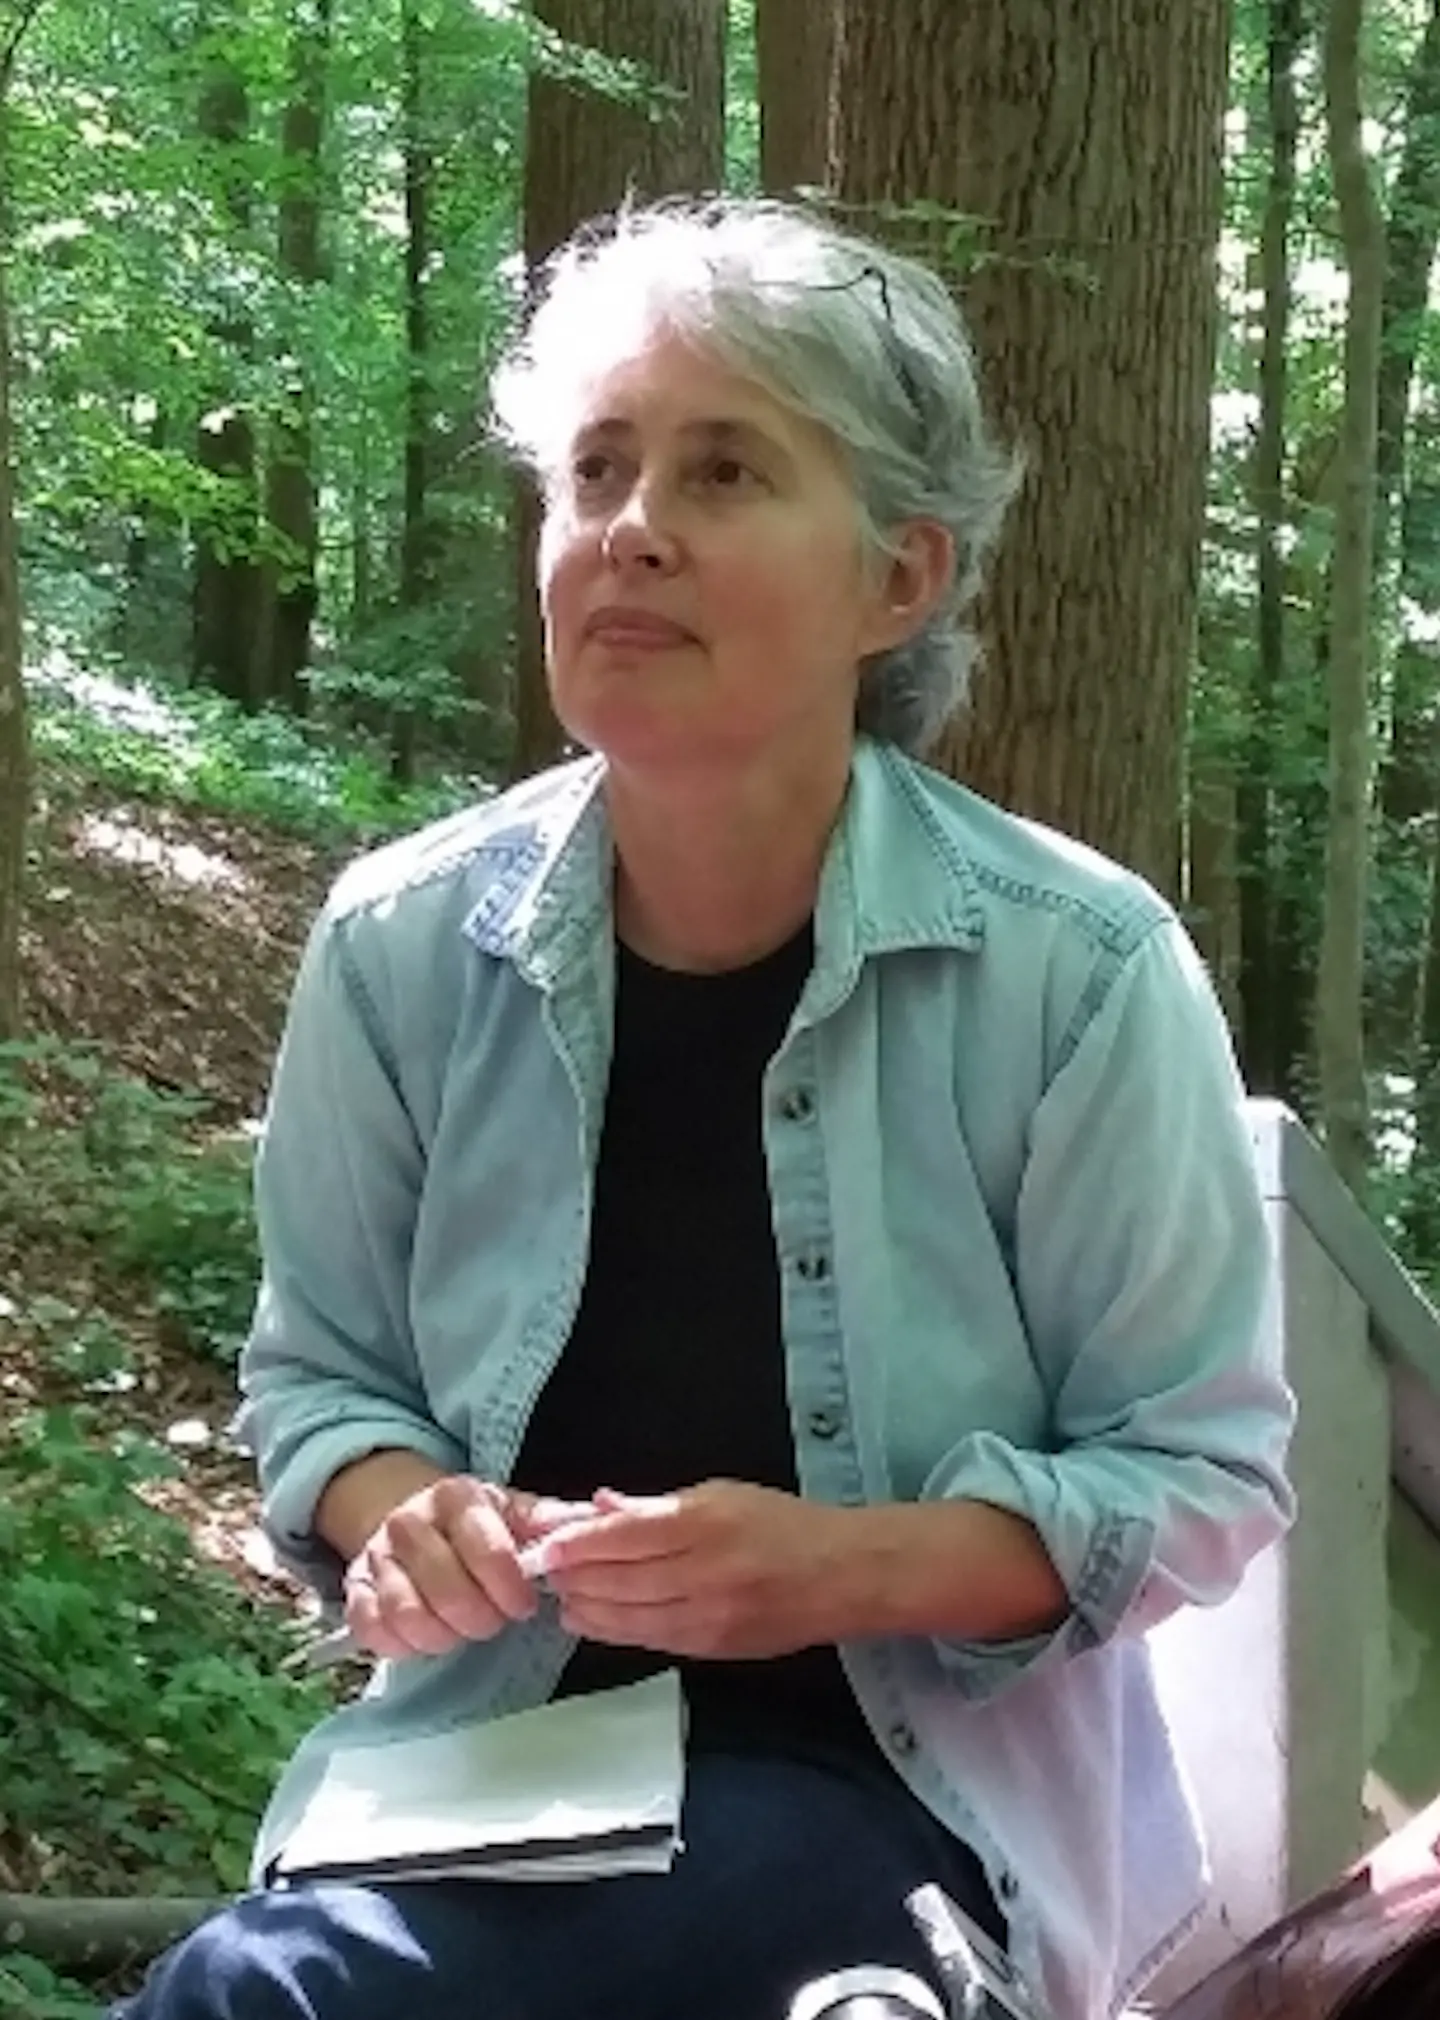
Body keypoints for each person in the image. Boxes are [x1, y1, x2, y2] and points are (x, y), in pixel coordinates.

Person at [113, 197, 1294, 2020]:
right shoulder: (402, 947)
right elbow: (321, 1383)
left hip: (912, 1822)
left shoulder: (1078, 969)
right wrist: (406, 1512)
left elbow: (1199, 1474)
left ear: (898, 581)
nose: (630, 528)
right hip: (480, 1789)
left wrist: (837, 1571)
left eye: (724, 471)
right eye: (594, 472)